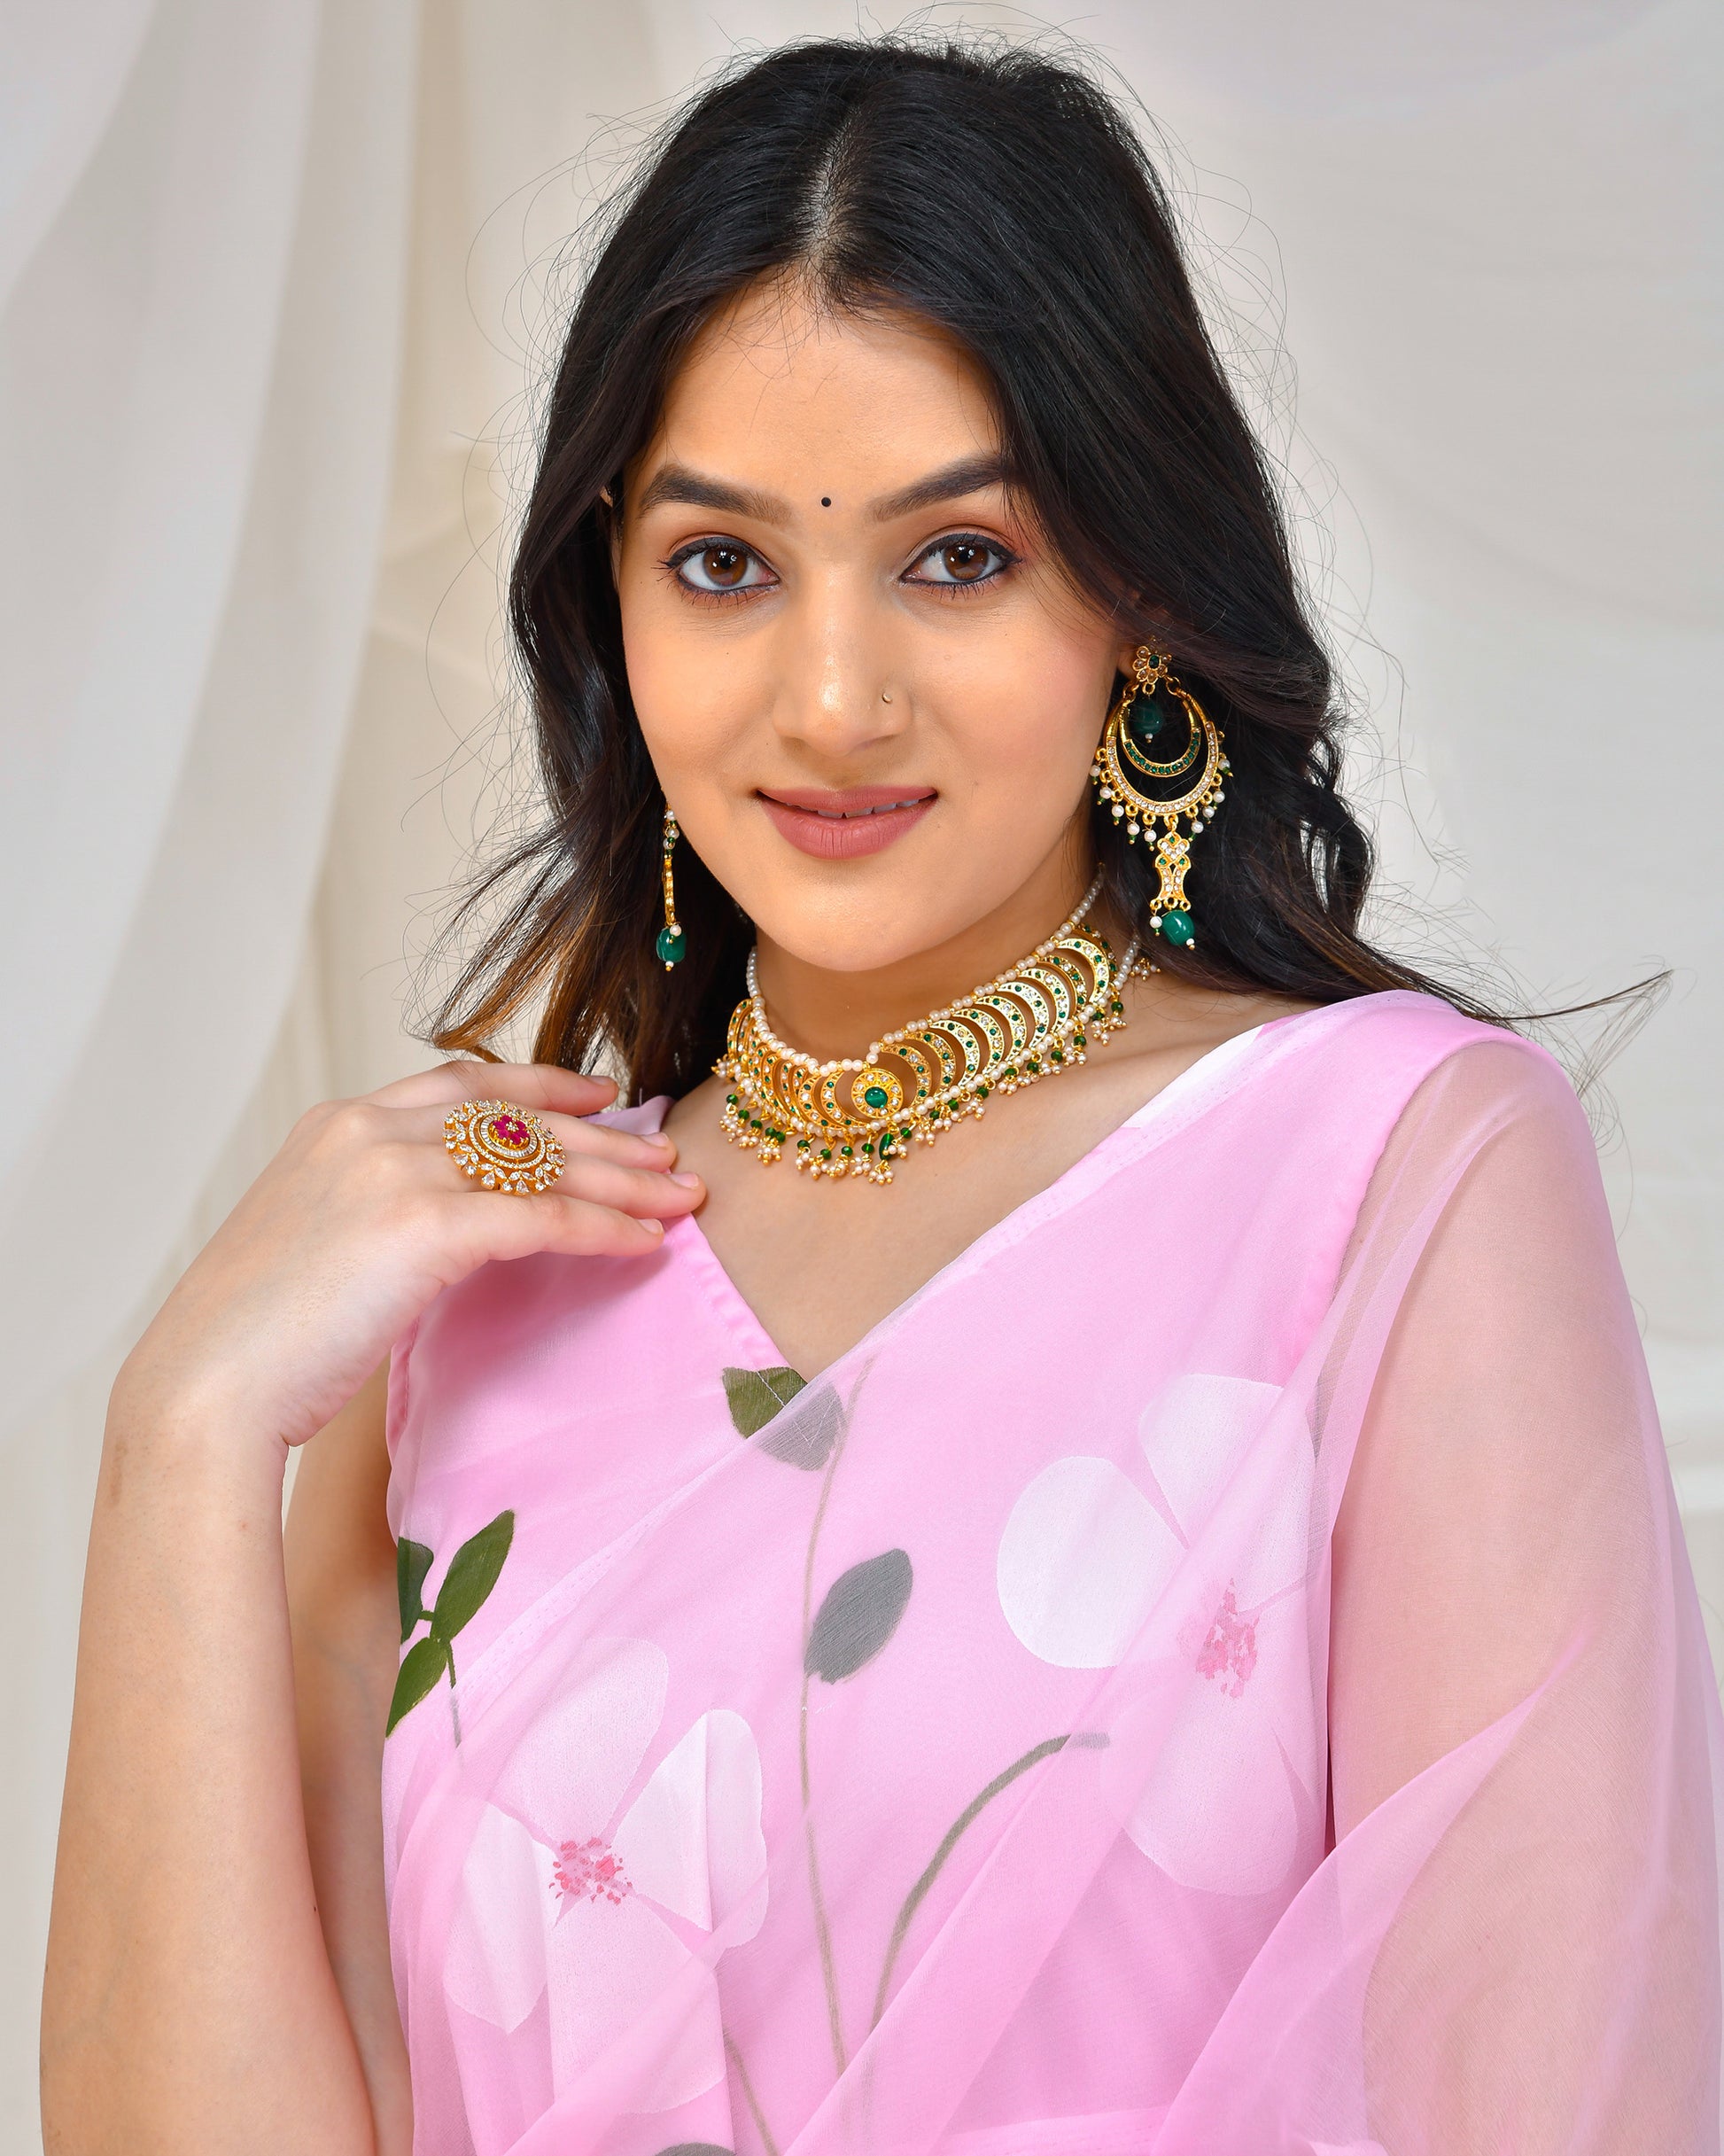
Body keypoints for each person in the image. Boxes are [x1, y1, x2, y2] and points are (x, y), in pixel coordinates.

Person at [42, 35, 1723, 2156]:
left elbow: (1552, 2098)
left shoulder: (1388, 1178)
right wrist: (183, 1425)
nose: (831, 701)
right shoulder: (468, 1292)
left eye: (957, 557)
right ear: (610, 606)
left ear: (1134, 598)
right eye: (722, 563)